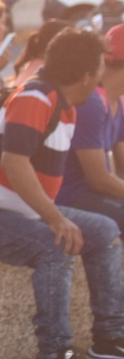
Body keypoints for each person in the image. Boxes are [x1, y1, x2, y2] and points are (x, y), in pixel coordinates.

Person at [0, 27, 124, 359]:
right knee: (56, 245)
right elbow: (14, 161)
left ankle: (109, 338)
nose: (102, 75)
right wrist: (55, 218)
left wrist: (53, 215)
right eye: (100, 67)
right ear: (87, 74)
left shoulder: (63, 104)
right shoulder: (36, 96)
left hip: (18, 212)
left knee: (103, 230)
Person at [56, 25, 124, 232]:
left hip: (89, 193)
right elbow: (98, 180)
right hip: (68, 196)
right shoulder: (91, 102)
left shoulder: (117, 102)